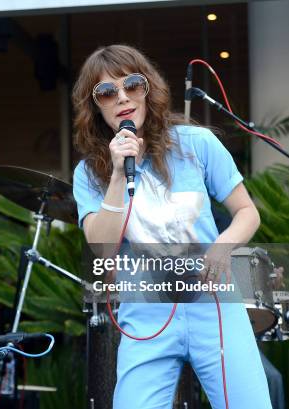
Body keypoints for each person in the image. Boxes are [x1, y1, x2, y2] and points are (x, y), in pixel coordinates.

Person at [71, 44, 272, 408]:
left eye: (132, 84)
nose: (122, 97)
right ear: (94, 105)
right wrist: (117, 174)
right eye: (106, 92)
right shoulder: (89, 173)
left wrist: (224, 246)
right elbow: (100, 246)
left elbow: (247, 212)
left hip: (214, 303)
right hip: (146, 312)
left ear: (148, 87)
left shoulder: (196, 143)